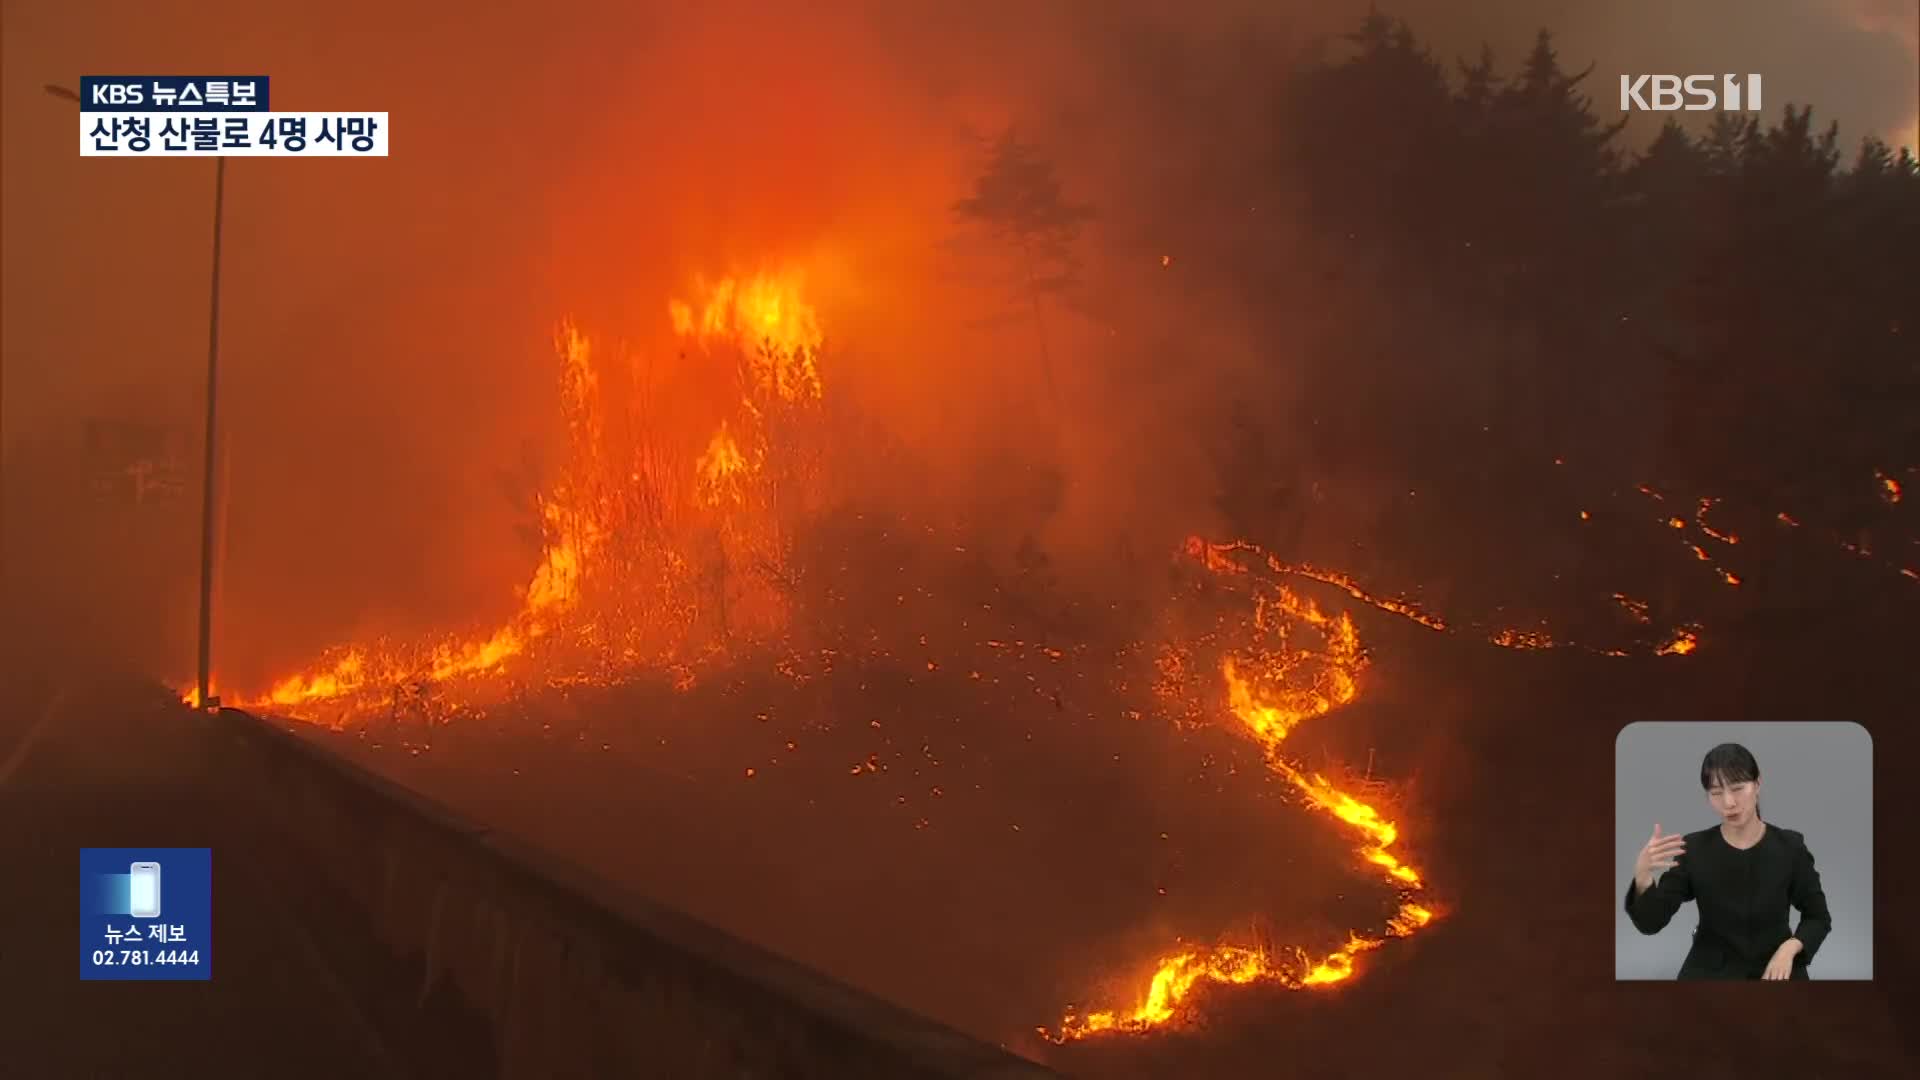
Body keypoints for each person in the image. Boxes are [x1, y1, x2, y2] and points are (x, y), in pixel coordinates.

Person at [1624, 742, 1832, 979]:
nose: (1728, 802)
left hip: (1775, 967)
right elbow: (1651, 923)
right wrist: (1642, 876)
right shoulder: (1694, 849)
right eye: (1716, 793)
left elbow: (1818, 917)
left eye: (1737, 788)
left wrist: (1790, 947)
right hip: (1709, 969)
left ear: (1758, 784)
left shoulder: (1790, 847)